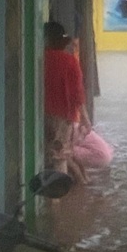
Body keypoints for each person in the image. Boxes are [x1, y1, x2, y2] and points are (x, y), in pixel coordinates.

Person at [43, 21, 89, 183]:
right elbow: (77, 93)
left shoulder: (38, 60)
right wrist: (85, 118)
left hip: (38, 114)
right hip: (62, 117)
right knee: (60, 158)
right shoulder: (69, 61)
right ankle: (58, 201)